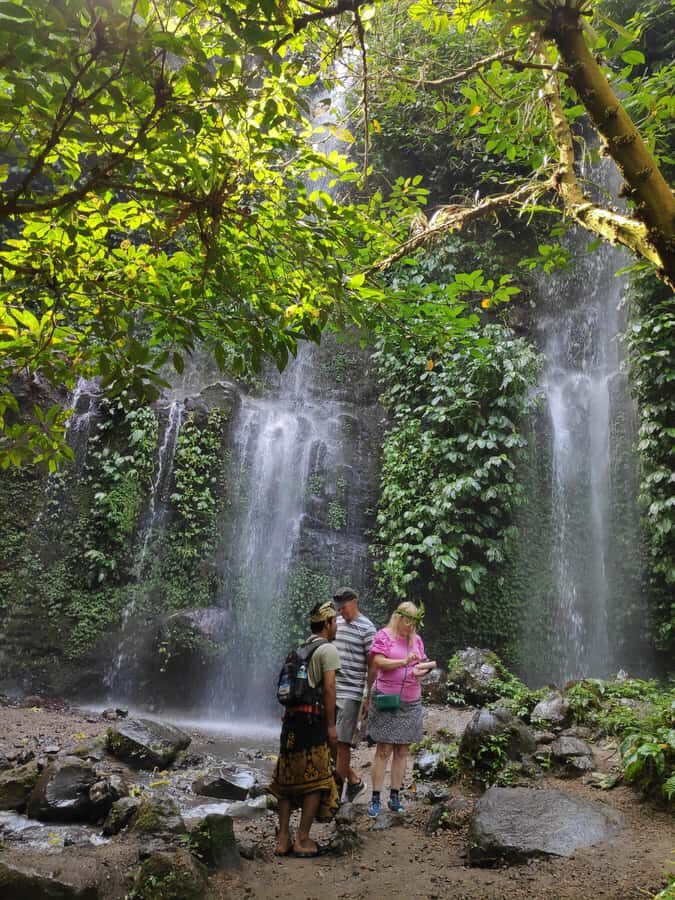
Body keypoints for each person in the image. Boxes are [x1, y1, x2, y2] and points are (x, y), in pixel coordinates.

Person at [268, 600, 341, 857]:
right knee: (317, 780)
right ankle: (302, 839)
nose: (337, 627)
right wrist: (331, 726)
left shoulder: (299, 648)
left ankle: (282, 839)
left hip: (290, 723)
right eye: (335, 622)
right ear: (328, 624)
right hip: (313, 723)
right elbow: (330, 689)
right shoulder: (328, 650)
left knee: (286, 779)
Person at [365, 601, 436, 818]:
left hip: (411, 700)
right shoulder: (384, 636)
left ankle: (395, 797)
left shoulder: (417, 640)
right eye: (407, 623)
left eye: (414, 624)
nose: (410, 628)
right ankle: (376, 797)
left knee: (403, 750)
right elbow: (378, 662)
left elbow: (419, 665)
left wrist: (424, 668)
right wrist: (403, 661)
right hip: (387, 698)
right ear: (398, 618)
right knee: (384, 749)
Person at [333, 586, 376, 802]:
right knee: (328, 741)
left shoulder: (368, 628)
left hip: (351, 694)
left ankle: (334, 798)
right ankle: (354, 781)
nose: (342, 611)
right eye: (339, 608)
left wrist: (368, 697)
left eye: (345, 606)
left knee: (342, 744)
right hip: (330, 690)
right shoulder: (335, 623)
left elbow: (373, 667)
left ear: (355, 601)